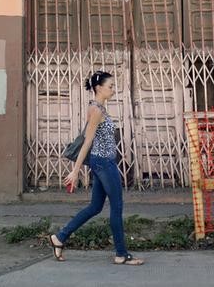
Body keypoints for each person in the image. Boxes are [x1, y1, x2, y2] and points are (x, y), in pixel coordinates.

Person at [48, 70, 144, 266]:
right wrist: (75, 171)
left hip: (101, 162)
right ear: (98, 88)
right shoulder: (97, 110)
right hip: (104, 164)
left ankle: (60, 237)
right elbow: (87, 141)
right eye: (110, 86)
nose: (113, 89)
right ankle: (121, 254)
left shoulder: (98, 107)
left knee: (95, 207)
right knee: (116, 207)